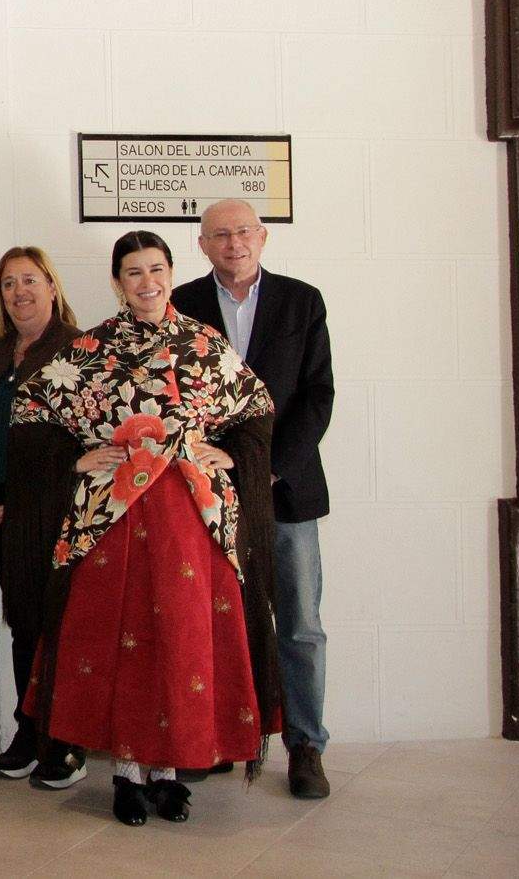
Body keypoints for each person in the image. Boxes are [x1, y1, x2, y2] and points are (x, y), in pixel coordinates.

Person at [13, 232, 280, 828]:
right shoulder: (89, 349)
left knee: (181, 639)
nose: (146, 282)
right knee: (125, 639)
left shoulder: (205, 344)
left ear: (170, 271)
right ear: (117, 282)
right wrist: (75, 460)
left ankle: (168, 773)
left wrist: (230, 454)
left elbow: (255, 407)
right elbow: (31, 409)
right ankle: (128, 774)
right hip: (114, 521)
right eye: (133, 273)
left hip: (190, 517)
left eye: (156, 269)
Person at [172, 199, 334, 800]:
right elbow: (173, 398)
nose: (233, 243)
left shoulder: (302, 301)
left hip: (287, 491)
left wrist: (266, 466)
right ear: (203, 245)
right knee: (218, 621)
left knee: (299, 626)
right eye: (220, 235)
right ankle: (220, 741)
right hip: (206, 493)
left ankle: (305, 747)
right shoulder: (182, 304)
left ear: (262, 237)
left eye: (243, 231)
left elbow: (319, 395)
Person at [0, 246, 83, 781]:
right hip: (2, 516)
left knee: (61, 626)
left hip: (55, 513)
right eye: (8, 284)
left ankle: (65, 742)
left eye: (29, 281)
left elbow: (84, 437)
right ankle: (29, 731)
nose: (19, 293)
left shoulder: (78, 350)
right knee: (23, 624)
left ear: (52, 287)